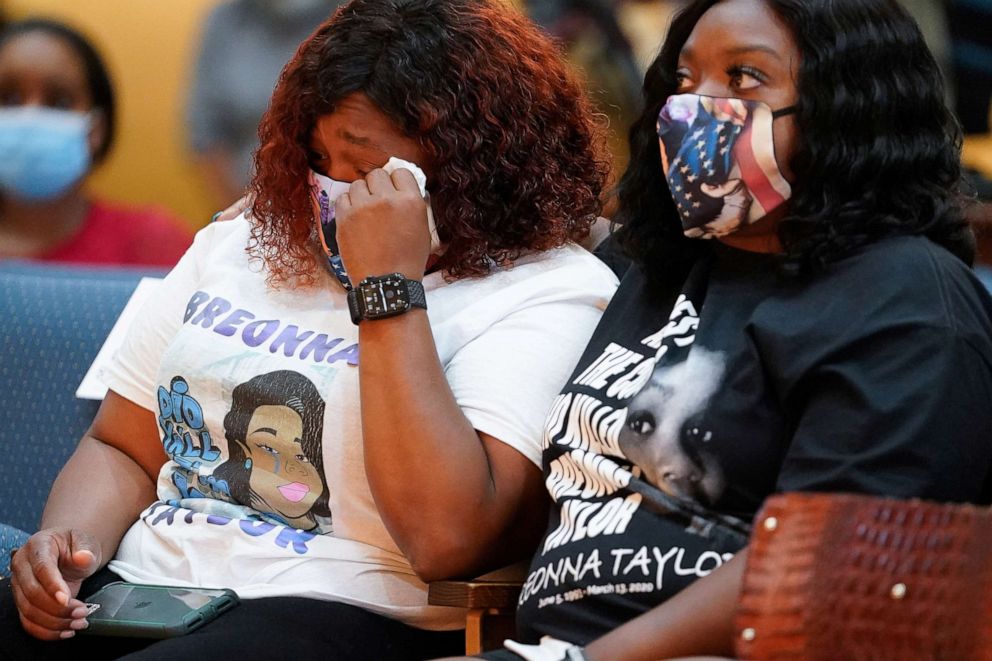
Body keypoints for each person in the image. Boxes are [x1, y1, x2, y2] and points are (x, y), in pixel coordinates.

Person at [0, 0, 617, 658]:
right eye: (316, 155)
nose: (328, 187)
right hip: (147, 590)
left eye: (360, 166)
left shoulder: (549, 289)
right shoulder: (243, 238)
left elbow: (446, 539)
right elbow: (123, 446)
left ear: (468, 163)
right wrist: (65, 548)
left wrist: (386, 287)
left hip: (335, 610)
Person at [443, 1, 992, 659]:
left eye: (744, 78)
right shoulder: (645, 265)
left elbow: (829, 560)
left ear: (845, 106)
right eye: (683, 79)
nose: (694, 107)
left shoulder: (907, 296)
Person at [0, 19, 193, 267]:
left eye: (60, 102)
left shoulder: (152, 244)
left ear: (96, 128)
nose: (30, 116)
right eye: (10, 98)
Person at [187, 0, 342, 208]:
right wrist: (246, 224)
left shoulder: (371, 14)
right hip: (248, 206)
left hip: (347, 206)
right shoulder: (227, 20)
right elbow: (205, 133)